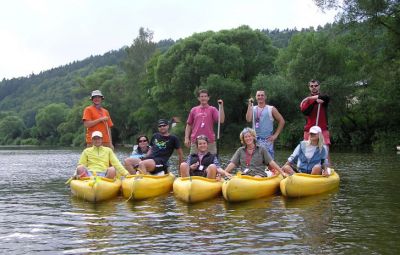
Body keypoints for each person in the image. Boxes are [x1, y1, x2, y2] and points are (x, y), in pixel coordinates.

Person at [245, 90, 285, 159]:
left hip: (267, 140)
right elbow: (248, 119)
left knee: (269, 162)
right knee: (255, 161)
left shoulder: (271, 109)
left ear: (265, 97)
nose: (260, 97)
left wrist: (275, 135)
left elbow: (282, 121)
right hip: (255, 140)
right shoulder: (252, 108)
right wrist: (249, 105)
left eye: (262, 95)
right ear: (256, 97)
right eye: (258, 95)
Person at [184, 89, 225, 154]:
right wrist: (186, 138)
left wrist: (221, 106)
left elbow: (221, 120)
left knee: (211, 162)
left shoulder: (212, 109)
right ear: (198, 98)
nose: (203, 98)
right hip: (195, 141)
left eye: (205, 96)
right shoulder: (194, 110)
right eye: (202, 96)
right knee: (194, 162)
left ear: (208, 98)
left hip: (210, 141)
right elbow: (189, 125)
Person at [300, 79, 330, 148]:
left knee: (325, 153)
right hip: (309, 130)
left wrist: (312, 97)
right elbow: (305, 112)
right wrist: (315, 102)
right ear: (309, 87)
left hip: (323, 129)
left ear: (319, 86)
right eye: (312, 86)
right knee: (308, 152)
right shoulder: (307, 101)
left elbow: (327, 98)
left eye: (316, 85)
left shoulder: (323, 97)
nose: (314, 87)